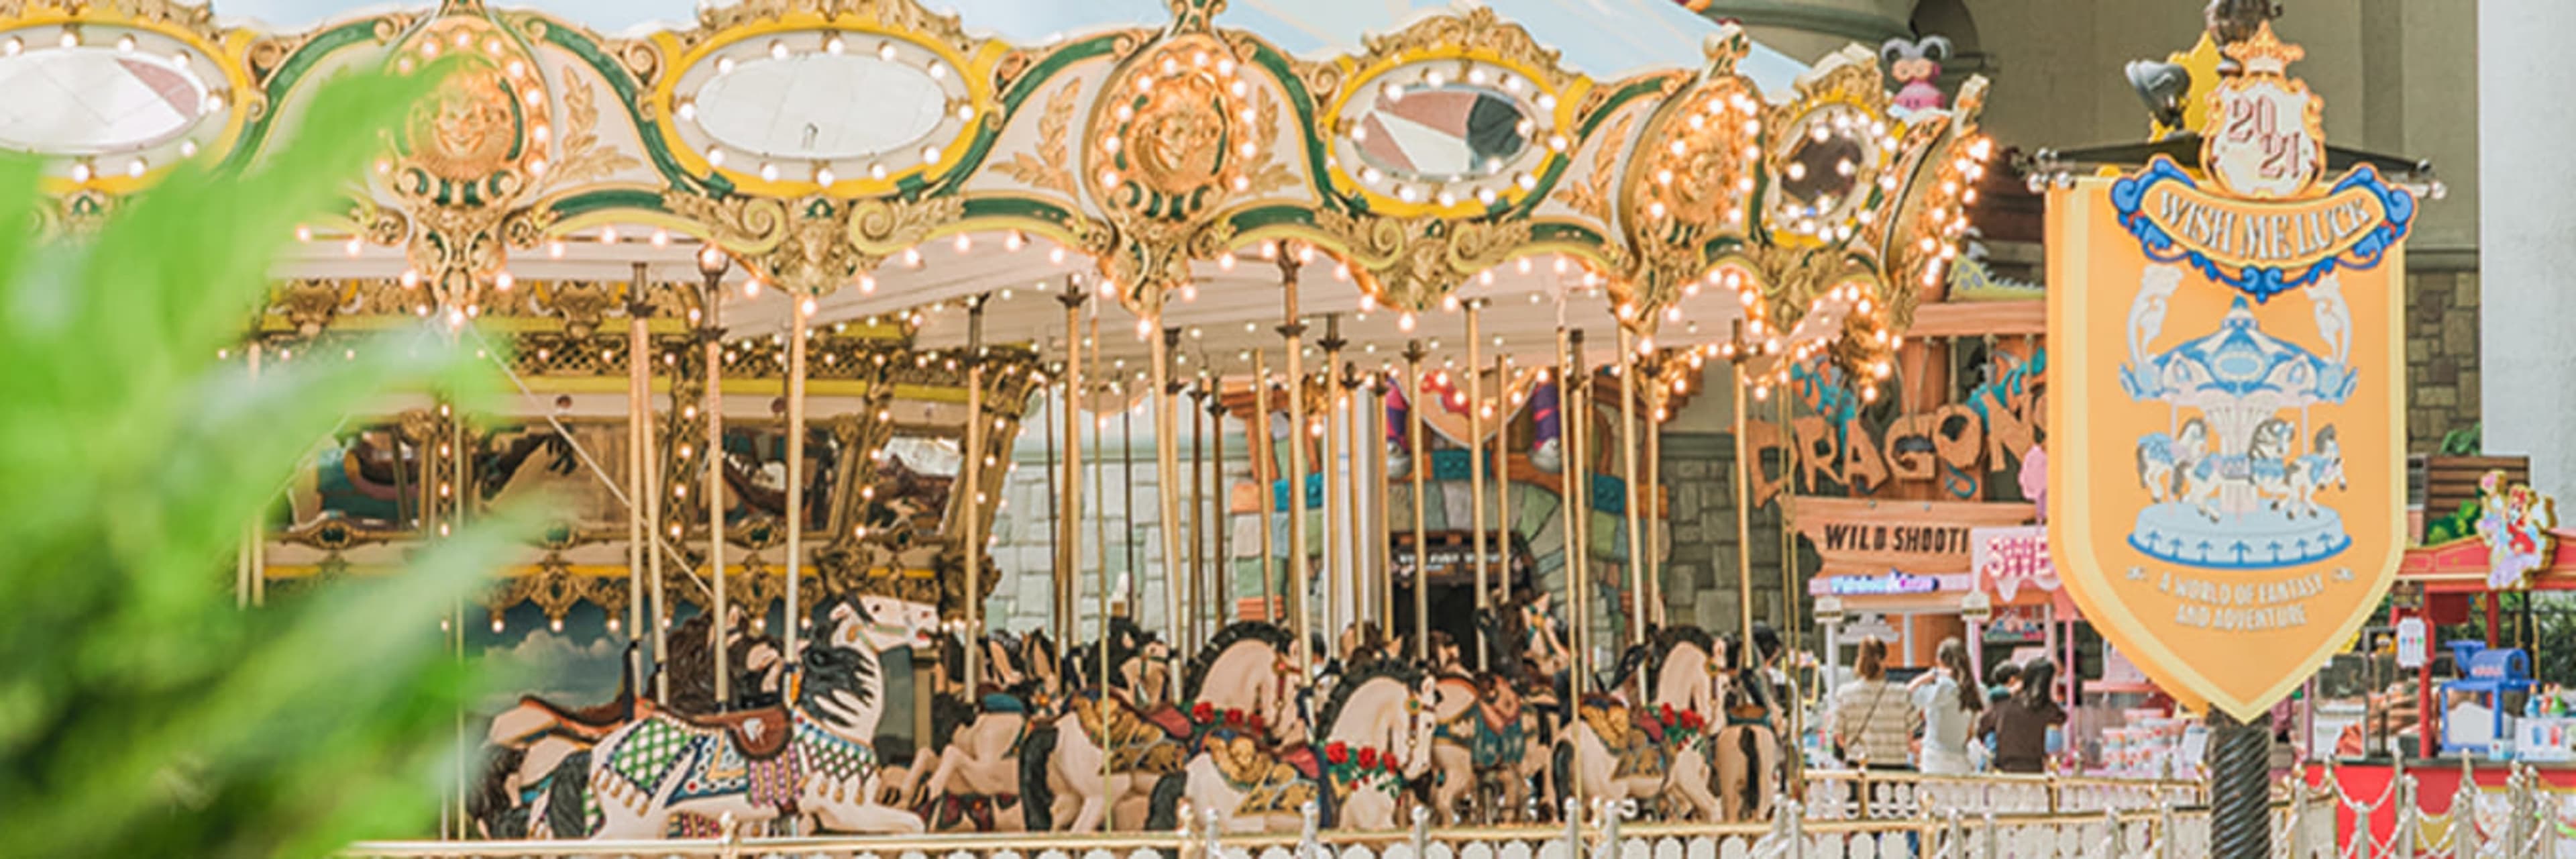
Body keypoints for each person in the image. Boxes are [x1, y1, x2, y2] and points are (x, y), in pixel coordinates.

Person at [1830, 636, 1913, 769]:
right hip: (1895, 767)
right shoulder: (1902, 693)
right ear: (1885, 660)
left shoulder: (1845, 693)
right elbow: (1911, 736)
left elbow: (1838, 736)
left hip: (1860, 766)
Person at [1907, 638, 1981, 774]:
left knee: (1933, 796)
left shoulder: (1944, 687)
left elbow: (1909, 693)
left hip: (1936, 756)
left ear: (1939, 660)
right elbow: (1970, 732)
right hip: (1961, 757)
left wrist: (1930, 675)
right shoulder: (1974, 689)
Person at [1988, 657, 2068, 774]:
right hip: (2034, 773)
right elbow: (2053, 747)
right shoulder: (2051, 712)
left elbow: (1983, 729)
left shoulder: (2003, 705)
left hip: (2005, 773)